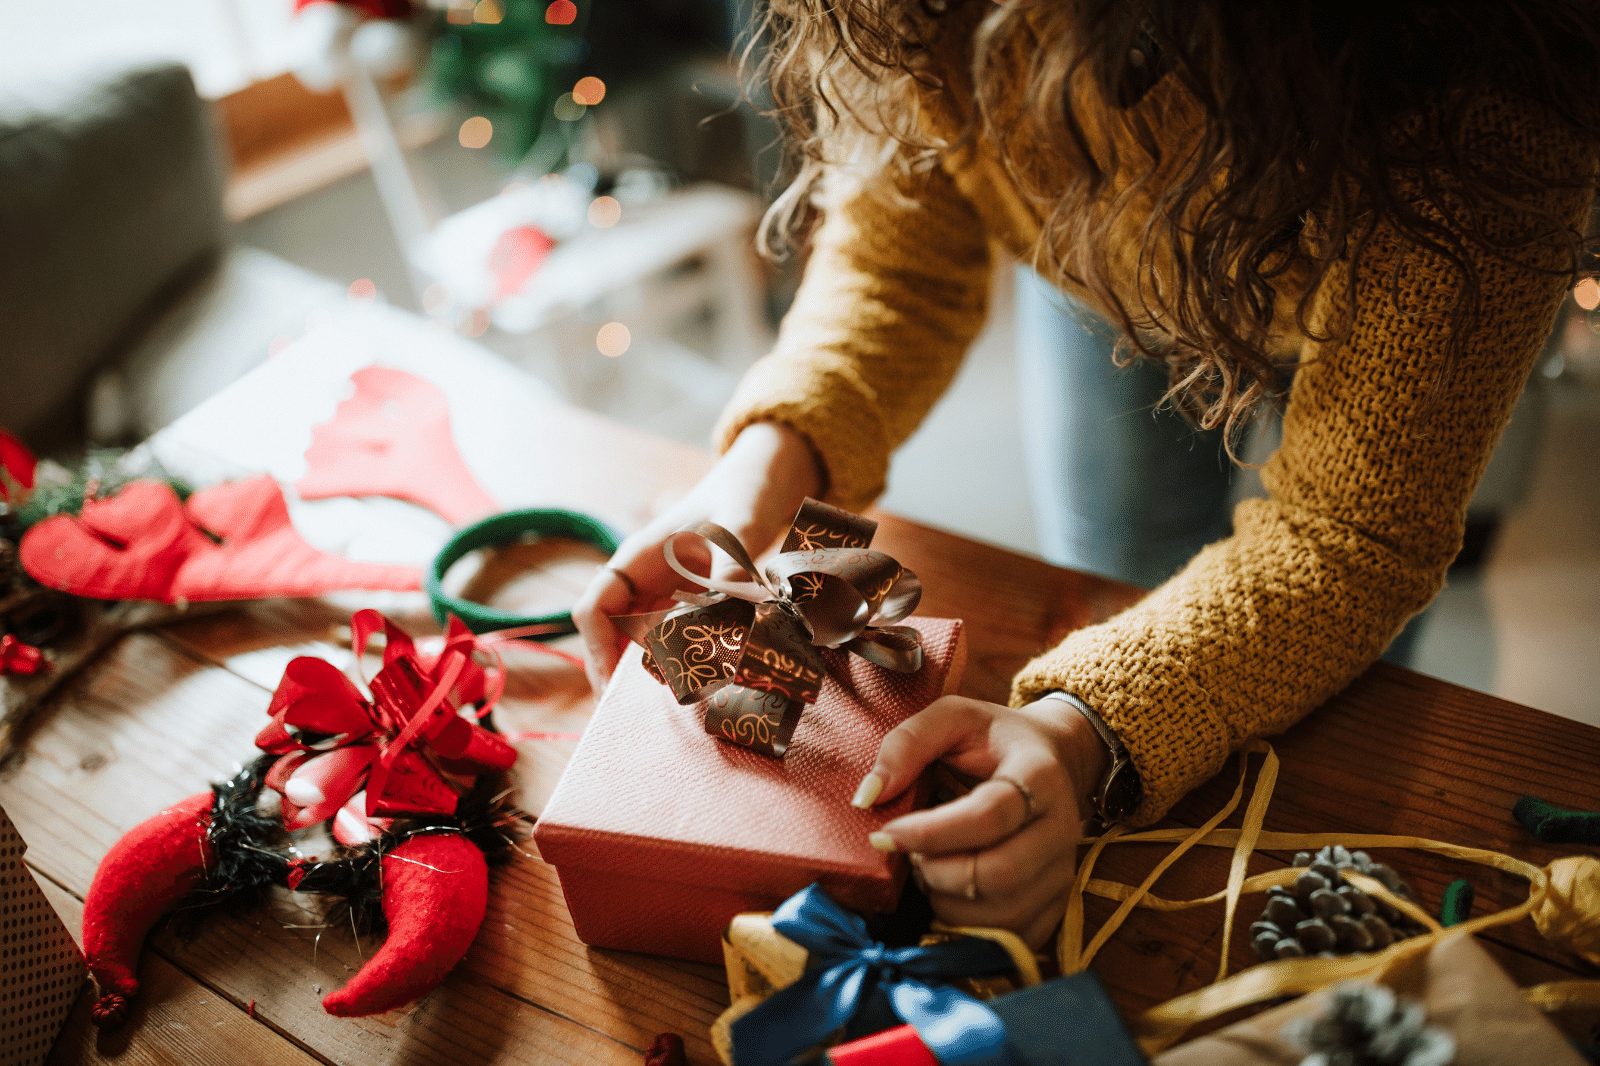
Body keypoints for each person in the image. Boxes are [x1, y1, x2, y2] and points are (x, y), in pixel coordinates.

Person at [575, 1, 1600, 948]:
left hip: (1403, 239)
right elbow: (899, 268)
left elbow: (1349, 535)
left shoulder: (1489, 96)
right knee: (1114, 558)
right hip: (1104, 253)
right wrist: (762, 466)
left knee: (1352, 720)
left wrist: (1083, 735)